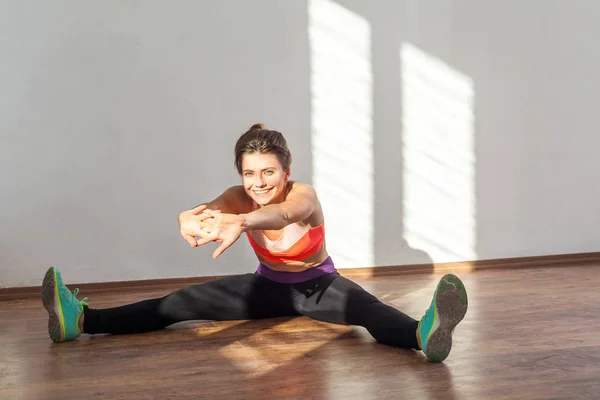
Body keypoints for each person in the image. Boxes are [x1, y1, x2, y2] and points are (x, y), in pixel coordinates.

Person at [41, 123, 468, 363]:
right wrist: (189, 216)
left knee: (370, 313)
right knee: (180, 303)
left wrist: (241, 221)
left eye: (268, 172)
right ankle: (81, 320)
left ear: (285, 171)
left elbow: (282, 215)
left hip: (319, 286)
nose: (258, 183)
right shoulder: (238, 195)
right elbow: (208, 210)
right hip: (264, 287)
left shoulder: (304, 196)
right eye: (250, 174)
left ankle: (423, 332)